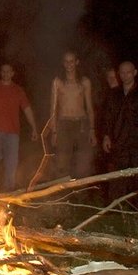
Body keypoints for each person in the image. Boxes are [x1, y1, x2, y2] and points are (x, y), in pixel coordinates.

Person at [101, 61, 138, 203]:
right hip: (119, 141)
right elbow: (108, 117)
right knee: (117, 177)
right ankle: (115, 209)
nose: (125, 75)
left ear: (134, 72)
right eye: (122, 72)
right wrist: (106, 136)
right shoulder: (114, 94)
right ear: (118, 74)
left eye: (128, 72)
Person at [0, 63, 39, 193]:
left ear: (13, 73)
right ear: (0, 72)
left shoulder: (18, 90)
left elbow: (27, 109)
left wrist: (34, 127)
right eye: (3, 71)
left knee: (11, 162)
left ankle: (9, 190)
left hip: (13, 132)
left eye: (8, 71)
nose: (5, 73)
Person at [47, 50, 96, 180]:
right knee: (62, 161)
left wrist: (92, 130)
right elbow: (53, 108)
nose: (69, 64)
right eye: (66, 61)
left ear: (77, 62)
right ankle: (62, 192)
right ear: (63, 64)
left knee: (83, 162)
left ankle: (81, 193)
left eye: (72, 61)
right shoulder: (57, 82)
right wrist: (54, 132)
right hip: (63, 123)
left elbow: (90, 108)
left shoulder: (84, 82)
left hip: (81, 123)